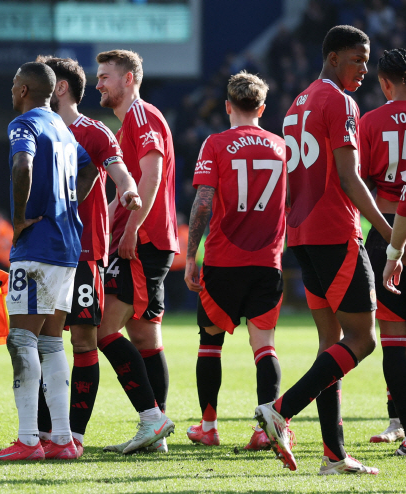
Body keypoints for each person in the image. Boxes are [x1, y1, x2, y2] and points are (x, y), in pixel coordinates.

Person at [254, 25, 388, 474]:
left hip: (304, 236)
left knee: (331, 343)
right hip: (335, 231)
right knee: (364, 340)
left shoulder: (297, 104)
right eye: (357, 59)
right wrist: (388, 231)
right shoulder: (340, 101)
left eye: (367, 61)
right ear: (332, 58)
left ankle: (333, 455)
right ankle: (281, 409)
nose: (364, 69)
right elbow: (349, 177)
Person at [0, 62, 106, 461]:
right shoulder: (65, 130)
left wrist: (19, 219)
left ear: (22, 89)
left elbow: (22, 164)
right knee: (53, 342)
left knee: (21, 339)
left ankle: (29, 439)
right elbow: (90, 167)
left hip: (36, 246)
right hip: (68, 247)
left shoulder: (26, 124)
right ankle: (63, 439)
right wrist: (67, 207)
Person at [33, 55, 141, 455]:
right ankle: (44, 431)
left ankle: (72, 435)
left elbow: (119, 169)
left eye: (44, 82)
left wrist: (128, 190)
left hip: (83, 252)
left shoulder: (93, 132)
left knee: (82, 341)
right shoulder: (38, 130)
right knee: (41, 340)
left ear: (59, 88)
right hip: (44, 251)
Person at [185, 72, 287, 450]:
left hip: (224, 261)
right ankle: (266, 428)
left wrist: (193, 255)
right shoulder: (281, 147)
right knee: (265, 346)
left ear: (228, 106)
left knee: (209, 343)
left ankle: (208, 427)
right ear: (261, 108)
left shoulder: (215, 143)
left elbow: (204, 201)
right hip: (268, 261)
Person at [93, 49, 177, 454]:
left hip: (142, 242)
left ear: (128, 79)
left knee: (103, 330)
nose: (98, 84)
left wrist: (131, 228)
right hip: (149, 239)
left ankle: (152, 418)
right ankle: (155, 434)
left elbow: (153, 173)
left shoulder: (141, 116)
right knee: (144, 337)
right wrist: (109, 219)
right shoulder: (129, 123)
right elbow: (130, 188)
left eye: (105, 76)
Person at [360, 48, 406, 448]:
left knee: (393, 335)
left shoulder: (370, 121)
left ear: (384, 82)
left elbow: (357, 179)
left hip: (387, 227)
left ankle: (397, 420)